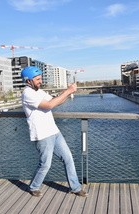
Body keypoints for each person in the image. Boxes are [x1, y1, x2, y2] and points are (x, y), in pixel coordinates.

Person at [21, 66, 88, 197]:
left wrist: (68, 93)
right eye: (37, 79)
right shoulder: (28, 93)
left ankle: (75, 188)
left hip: (54, 131)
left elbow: (56, 102)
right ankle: (33, 187)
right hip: (42, 135)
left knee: (68, 158)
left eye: (40, 78)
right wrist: (68, 91)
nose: (40, 81)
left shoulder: (39, 91)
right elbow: (50, 105)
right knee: (45, 164)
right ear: (28, 81)